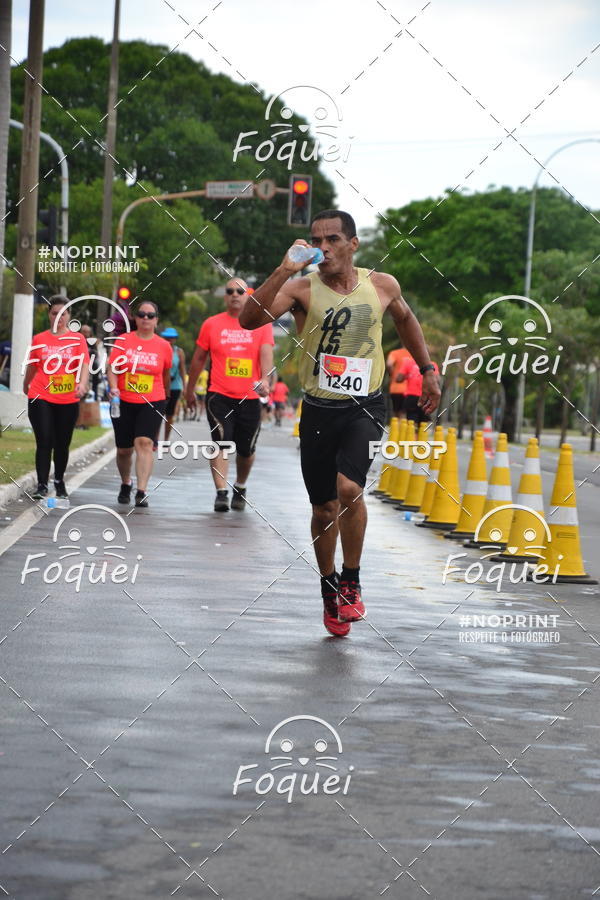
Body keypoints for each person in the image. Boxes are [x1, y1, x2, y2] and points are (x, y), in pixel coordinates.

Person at [239, 209, 440, 637]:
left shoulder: (381, 285)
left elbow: (404, 319)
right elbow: (250, 320)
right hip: (318, 409)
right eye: (316, 239)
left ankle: (352, 579)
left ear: (353, 244)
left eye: (332, 239)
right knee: (323, 506)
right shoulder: (300, 288)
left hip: (365, 406)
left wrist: (428, 369)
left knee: (350, 488)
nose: (323, 248)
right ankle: (329, 587)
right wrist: (282, 269)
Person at [185, 278, 274, 512]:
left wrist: (265, 379)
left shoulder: (261, 324)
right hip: (219, 395)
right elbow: (198, 359)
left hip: (250, 398)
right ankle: (221, 492)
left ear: (248, 295)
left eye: (240, 291)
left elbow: (266, 354)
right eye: (230, 291)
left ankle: (240, 486)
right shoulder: (212, 324)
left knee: (246, 450)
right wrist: (189, 389)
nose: (235, 294)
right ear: (225, 296)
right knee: (221, 442)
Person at [23, 295, 90, 500]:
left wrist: (82, 383)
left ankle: (59, 481)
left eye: (63, 313)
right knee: (44, 440)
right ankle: (42, 485)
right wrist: (26, 386)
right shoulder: (39, 339)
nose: (59, 317)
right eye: (55, 313)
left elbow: (85, 365)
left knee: (62, 443)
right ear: (49, 315)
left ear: (69, 315)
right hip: (41, 394)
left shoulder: (78, 339)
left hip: (67, 399)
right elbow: (32, 367)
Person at [106, 301, 172, 508]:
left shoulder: (164, 346)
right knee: (124, 450)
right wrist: (113, 387)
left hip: (152, 400)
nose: (145, 318)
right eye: (142, 314)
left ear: (156, 320)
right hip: (124, 400)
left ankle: (141, 490)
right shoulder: (123, 341)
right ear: (135, 318)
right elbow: (112, 368)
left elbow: (166, 374)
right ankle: (126, 483)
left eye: (150, 315)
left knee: (144, 443)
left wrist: (166, 398)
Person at [159, 327, 186, 441]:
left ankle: (166, 440)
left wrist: (185, 387)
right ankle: (154, 439)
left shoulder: (179, 352)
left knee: (169, 415)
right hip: (160, 385)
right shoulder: (159, 349)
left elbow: (182, 370)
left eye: (171, 338)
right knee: (158, 413)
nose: (169, 340)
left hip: (174, 386)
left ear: (175, 339)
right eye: (167, 338)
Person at [397, 356, 440, 425]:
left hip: (411, 396)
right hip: (426, 397)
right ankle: (418, 434)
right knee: (423, 424)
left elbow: (398, 379)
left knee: (411, 422)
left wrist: (408, 375)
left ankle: (412, 434)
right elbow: (437, 380)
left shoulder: (408, 363)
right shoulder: (432, 365)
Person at [386, 345, 411, 420]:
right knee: (405, 413)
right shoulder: (414, 354)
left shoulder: (395, 353)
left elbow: (389, 364)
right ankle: (403, 430)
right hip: (410, 390)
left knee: (396, 412)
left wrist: (392, 375)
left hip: (396, 388)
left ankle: (396, 429)